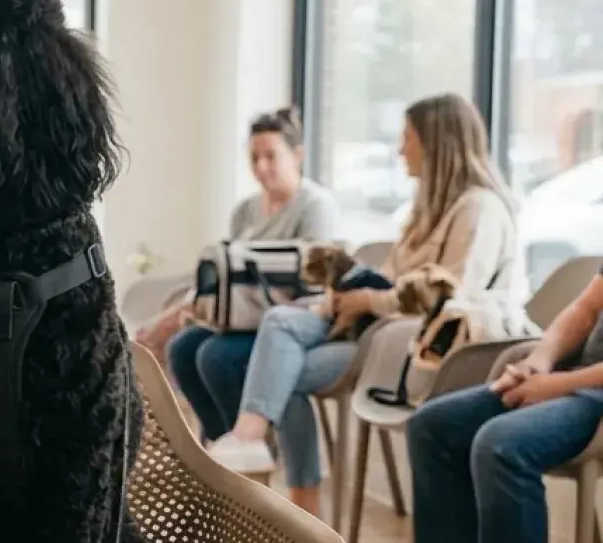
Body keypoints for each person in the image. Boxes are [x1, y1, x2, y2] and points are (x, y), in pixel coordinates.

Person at [205, 93, 530, 517]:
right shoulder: (426, 210)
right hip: (378, 327)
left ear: (436, 144)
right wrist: (342, 298)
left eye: (407, 138)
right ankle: (292, 491)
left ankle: (281, 475)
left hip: (413, 345)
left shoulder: (479, 210)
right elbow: (395, 280)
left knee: (276, 368)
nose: (400, 150)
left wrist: (366, 300)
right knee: (280, 328)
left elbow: (451, 298)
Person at [402, 264, 603, 543]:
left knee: (501, 445)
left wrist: (556, 387)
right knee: (434, 426)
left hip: (594, 399)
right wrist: (538, 363)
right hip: (570, 379)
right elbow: (584, 310)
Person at [154, 107, 339, 440]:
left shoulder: (315, 206)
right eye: (254, 157)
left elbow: (316, 281)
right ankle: (220, 445)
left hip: (287, 322)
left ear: (297, 155)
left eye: (271, 156)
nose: (261, 167)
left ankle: (249, 454)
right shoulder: (245, 211)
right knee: (182, 349)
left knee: (215, 357)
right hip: (241, 320)